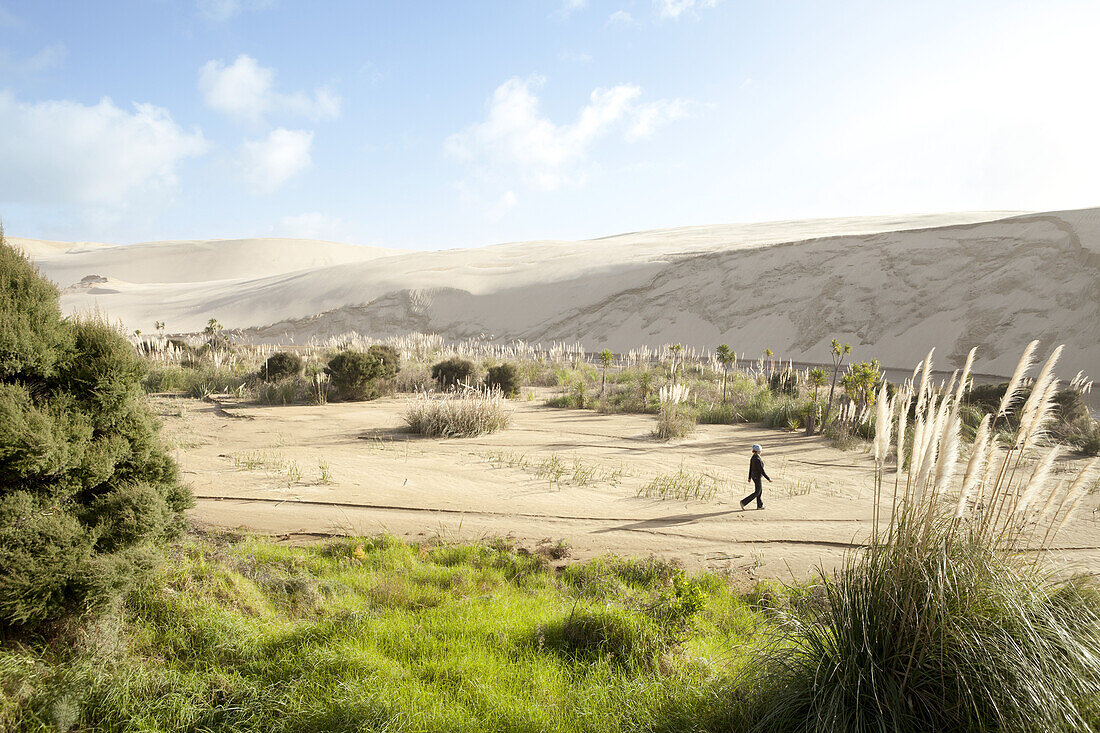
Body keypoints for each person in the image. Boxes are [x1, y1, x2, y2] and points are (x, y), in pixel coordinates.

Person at [741, 444, 770, 510]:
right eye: (760, 450)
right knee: (757, 492)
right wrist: (768, 478)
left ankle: (759, 505)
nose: (760, 452)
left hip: (754, 477)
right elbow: (761, 470)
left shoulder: (753, 458)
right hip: (757, 477)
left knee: (759, 491)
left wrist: (749, 478)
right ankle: (743, 502)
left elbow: (750, 468)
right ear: (757, 451)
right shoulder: (757, 459)